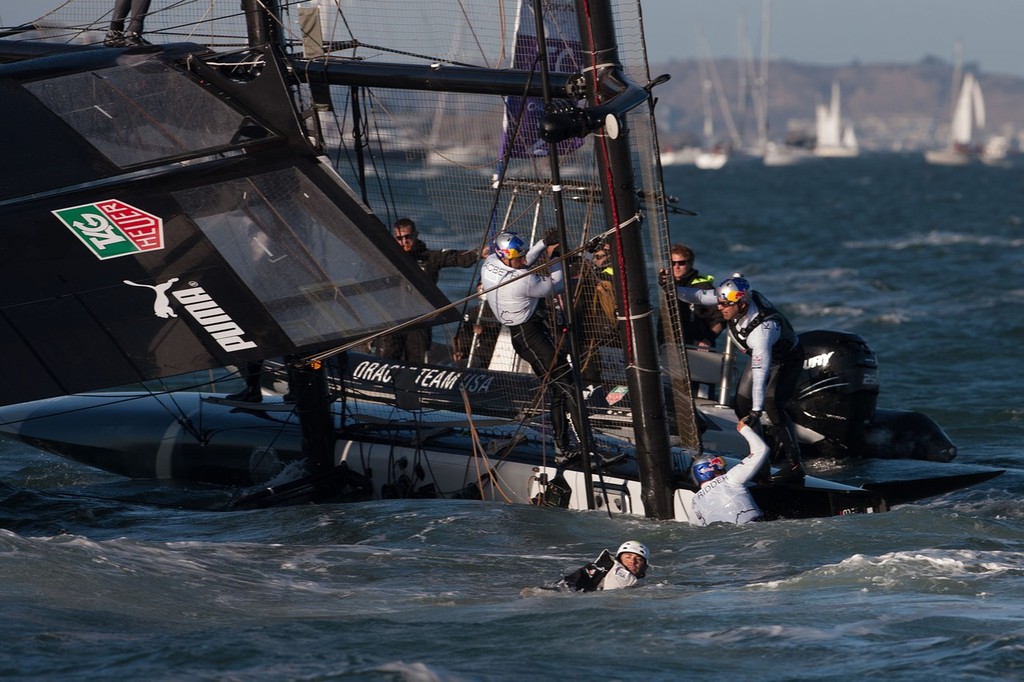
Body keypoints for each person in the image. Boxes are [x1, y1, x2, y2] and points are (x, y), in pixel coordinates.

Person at [671, 276, 806, 483]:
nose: (720, 308)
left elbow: (761, 372)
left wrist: (756, 411)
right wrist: (671, 287)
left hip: (786, 360)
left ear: (741, 304)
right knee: (741, 404)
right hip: (761, 357)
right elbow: (697, 296)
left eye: (725, 305)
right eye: (720, 302)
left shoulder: (761, 332)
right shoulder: (732, 301)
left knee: (772, 405)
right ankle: (762, 463)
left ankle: (795, 465)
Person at [480, 229, 583, 460]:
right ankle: (581, 447)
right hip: (530, 337)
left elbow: (525, 261)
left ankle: (562, 447)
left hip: (526, 333)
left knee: (561, 387)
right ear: (506, 256)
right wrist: (557, 257)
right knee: (567, 387)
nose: (523, 260)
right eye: (518, 257)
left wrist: (543, 243)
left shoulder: (490, 262)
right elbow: (557, 285)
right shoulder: (523, 281)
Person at [379, 218, 486, 364]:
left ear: (415, 235)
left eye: (408, 237)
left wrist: (477, 254)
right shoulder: (387, 258)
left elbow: (452, 257)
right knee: (389, 357)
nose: (404, 242)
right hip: (394, 318)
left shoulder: (429, 258)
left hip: (420, 319)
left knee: (416, 360)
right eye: (399, 238)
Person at [690, 421, 772, 525]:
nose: (723, 467)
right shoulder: (730, 478)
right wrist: (744, 429)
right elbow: (761, 449)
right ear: (710, 469)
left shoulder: (694, 502)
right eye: (719, 464)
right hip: (752, 527)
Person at [657, 243, 724, 349]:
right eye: (672, 263)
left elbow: (721, 317)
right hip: (669, 347)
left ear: (691, 263)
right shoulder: (668, 285)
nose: (676, 267)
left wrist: (708, 340)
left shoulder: (703, 287)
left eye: (681, 263)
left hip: (697, 348)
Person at [556, 541, 650, 592]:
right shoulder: (602, 570)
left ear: (644, 566)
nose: (632, 561)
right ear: (619, 560)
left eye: (639, 559)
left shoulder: (632, 581)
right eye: (628, 557)